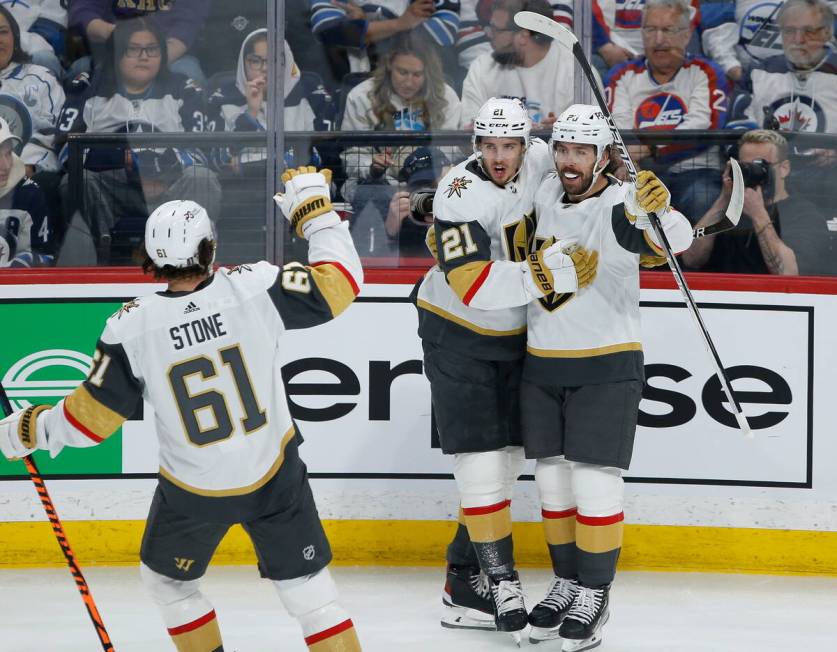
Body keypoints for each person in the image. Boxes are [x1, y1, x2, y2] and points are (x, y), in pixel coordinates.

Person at [0, 165, 365, 652]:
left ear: (149, 258)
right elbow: (342, 283)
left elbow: (91, 423)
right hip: (276, 475)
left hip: (194, 491)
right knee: (313, 598)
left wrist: (32, 427)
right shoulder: (254, 287)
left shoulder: (131, 326)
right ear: (210, 248)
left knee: (168, 585)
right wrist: (316, 215)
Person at [521, 104, 692, 648]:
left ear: (602, 157)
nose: (570, 161)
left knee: (594, 482)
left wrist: (659, 209)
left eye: (581, 151)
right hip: (543, 360)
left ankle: (595, 591)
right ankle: (566, 581)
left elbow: (675, 241)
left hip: (605, 362)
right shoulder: (546, 192)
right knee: (551, 482)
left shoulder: (621, 203)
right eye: (563, 149)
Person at [415, 96, 573, 637]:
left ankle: (464, 580)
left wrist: (628, 180)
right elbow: (472, 285)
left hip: (517, 337)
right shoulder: (458, 193)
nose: (499, 156)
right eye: (488, 146)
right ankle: (501, 581)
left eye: (509, 145)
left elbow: (586, 175)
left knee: (506, 462)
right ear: (474, 143)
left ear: (526, 142)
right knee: (482, 463)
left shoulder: (541, 158)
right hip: (457, 334)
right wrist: (546, 276)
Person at [54, 18, 221, 266]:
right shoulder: (89, 89)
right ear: (117, 54)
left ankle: (193, 260)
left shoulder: (184, 89)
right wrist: (121, 161)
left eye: (151, 49)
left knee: (202, 178)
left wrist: (160, 167)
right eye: (133, 49)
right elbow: (65, 152)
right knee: (76, 182)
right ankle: (99, 256)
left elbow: (202, 150)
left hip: (168, 184)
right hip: (109, 187)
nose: (143, 56)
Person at [606, 0, 730, 222]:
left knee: (701, 200)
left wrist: (651, 148)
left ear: (687, 34)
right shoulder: (621, 75)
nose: (659, 39)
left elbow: (704, 125)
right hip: (638, 170)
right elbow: (618, 126)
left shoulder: (707, 72)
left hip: (696, 173)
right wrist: (628, 159)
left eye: (668, 30)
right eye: (651, 29)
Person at [340, 33, 460, 254]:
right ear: (388, 68)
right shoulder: (361, 96)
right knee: (374, 193)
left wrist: (422, 173)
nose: (408, 81)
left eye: (417, 74)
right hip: (377, 183)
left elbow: (450, 151)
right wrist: (372, 167)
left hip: (428, 182)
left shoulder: (446, 97)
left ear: (428, 74)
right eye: (402, 72)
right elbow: (351, 154)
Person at [683, 129, 837, 274]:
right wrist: (724, 199)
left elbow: (788, 272)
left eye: (760, 165)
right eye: (745, 166)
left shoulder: (804, 214)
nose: (752, 172)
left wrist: (758, 214)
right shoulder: (729, 208)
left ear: (784, 168)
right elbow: (691, 259)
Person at [460, 0, 576, 128]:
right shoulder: (482, 67)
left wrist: (563, 134)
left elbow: (594, 138)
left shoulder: (575, 74)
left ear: (523, 36)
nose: (489, 34)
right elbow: (466, 137)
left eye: (496, 29)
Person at [68, 0, 210, 83]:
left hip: (170, 53)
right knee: (81, 70)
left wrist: (154, 59)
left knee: (189, 74)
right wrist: (118, 37)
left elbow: (189, 24)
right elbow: (82, 13)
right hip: (113, 49)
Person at [309, 0, 460, 76]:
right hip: (345, 84)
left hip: (414, 86)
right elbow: (329, 30)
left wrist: (366, 28)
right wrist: (400, 24)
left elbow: (442, 34)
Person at [701, 0, 837, 83]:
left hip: (815, 76)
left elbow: (829, 23)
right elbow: (715, 35)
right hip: (750, 82)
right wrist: (736, 72)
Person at [0, 5, 65, 174]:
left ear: (15, 38)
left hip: (26, 177)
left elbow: (51, 137)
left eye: (3, 32)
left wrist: (23, 169)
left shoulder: (42, 79)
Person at [0, 117, 54, 267]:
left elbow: (46, 256)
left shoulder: (29, 194)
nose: (5, 165)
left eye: (8, 154)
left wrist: (24, 263)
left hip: (17, 287)